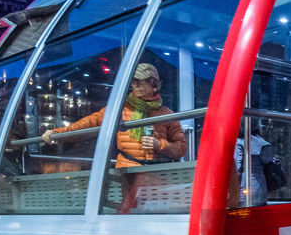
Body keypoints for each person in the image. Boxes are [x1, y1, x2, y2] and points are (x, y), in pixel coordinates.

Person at [41, 62, 186, 168]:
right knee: (126, 209)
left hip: (157, 171)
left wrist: (160, 144)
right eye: (133, 82)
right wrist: (57, 133)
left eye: (140, 82)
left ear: (154, 85)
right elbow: (90, 122)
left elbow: (181, 148)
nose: (135, 86)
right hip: (127, 171)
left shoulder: (166, 114)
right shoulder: (119, 109)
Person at [234, 121, 274, 207]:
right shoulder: (263, 142)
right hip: (261, 188)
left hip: (244, 188)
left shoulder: (239, 142)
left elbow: (236, 168)